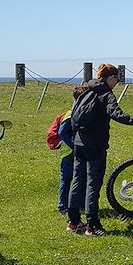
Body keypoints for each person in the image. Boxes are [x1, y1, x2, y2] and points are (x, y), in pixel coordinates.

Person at [66, 64, 133, 237]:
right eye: (116, 78)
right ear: (109, 78)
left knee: (77, 181)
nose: (117, 82)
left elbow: (74, 117)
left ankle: (73, 222)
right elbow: (120, 116)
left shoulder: (85, 90)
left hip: (79, 143)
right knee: (93, 184)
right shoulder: (106, 95)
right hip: (95, 146)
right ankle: (92, 226)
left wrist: (76, 138)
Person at [56, 85, 89, 214]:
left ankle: (80, 205)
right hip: (69, 153)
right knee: (67, 178)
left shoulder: (78, 112)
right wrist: (74, 146)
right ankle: (62, 206)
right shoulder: (71, 115)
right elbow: (62, 132)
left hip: (77, 152)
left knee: (81, 178)